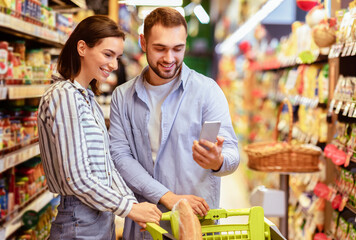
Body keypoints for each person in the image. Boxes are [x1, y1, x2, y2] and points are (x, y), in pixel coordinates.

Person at [109, 7, 239, 239]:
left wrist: (218, 161)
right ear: (143, 42)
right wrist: (169, 198)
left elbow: (232, 155)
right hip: (146, 225)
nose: (170, 58)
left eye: (178, 49)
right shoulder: (123, 96)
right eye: (160, 48)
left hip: (197, 226)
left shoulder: (207, 91)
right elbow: (120, 156)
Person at [37, 15, 161, 240]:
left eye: (117, 57)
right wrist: (130, 208)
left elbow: (107, 169)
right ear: (82, 48)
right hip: (78, 221)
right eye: (108, 54)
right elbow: (77, 178)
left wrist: (132, 205)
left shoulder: (87, 98)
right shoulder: (63, 95)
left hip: (100, 217)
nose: (114, 65)